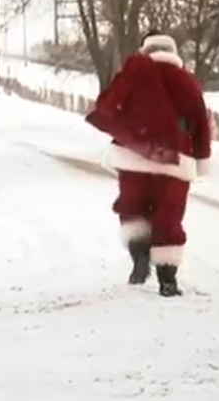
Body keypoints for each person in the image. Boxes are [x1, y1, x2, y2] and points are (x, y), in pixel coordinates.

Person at [85, 32, 211, 297]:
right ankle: (168, 279)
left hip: (133, 155)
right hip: (174, 160)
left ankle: (139, 256)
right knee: (169, 215)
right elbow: (200, 121)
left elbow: (111, 106)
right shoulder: (186, 81)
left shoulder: (132, 75)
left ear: (145, 50)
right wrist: (201, 156)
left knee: (132, 206)